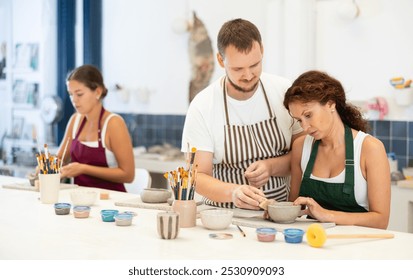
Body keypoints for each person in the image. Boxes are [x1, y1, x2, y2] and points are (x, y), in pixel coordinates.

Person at [181, 18, 304, 210]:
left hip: (280, 210)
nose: (248, 75)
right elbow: (198, 176)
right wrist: (234, 192)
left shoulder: (283, 92)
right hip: (223, 215)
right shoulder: (203, 106)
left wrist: (270, 166)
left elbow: (304, 153)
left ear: (262, 50)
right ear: (221, 60)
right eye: (238, 68)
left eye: (254, 65)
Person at [283, 70, 390, 229]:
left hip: (359, 249)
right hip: (314, 245)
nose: (304, 127)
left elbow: (381, 221)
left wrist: (327, 215)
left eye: (308, 115)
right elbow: (295, 206)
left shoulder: (369, 149)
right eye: (299, 120)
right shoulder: (301, 147)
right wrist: (276, 212)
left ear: (331, 104)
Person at [58, 64, 135, 192]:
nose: (74, 100)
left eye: (79, 94)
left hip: (111, 202)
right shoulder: (75, 121)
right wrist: (46, 165)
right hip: (80, 200)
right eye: (71, 94)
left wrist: (83, 169)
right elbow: (60, 159)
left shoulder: (113, 123)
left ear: (98, 92)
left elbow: (128, 175)